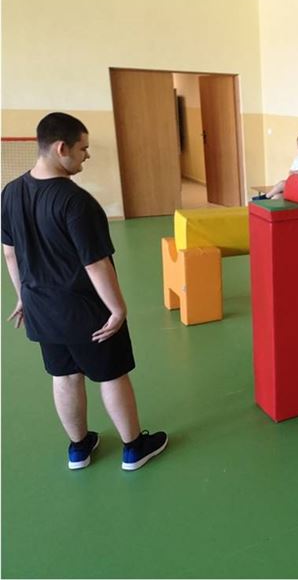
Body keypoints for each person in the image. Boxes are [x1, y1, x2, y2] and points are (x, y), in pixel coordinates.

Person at [1, 112, 168, 471]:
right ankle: (134, 447)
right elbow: (95, 263)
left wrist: (23, 296)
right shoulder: (77, 202)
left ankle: (79, 448)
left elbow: (10, 253)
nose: (87, 156)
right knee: (111, 374)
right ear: (61, 148)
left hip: (41, 308)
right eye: (83, 148)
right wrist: (117, 309)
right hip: (86, 311)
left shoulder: (10, 192)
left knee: (63, 375)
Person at [261, 133, 298, 200]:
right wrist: (297, 172)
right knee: (277, 196)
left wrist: (295, 172)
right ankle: (265, 199)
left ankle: (265, 197)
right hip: (297, 183)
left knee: (282, 183)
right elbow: (290, 173)